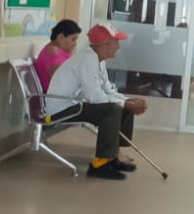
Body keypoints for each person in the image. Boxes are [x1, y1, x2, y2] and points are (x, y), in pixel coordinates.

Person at [46, 23, 148, 180]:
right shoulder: (87, 60)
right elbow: (96, 98)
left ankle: (113, 156)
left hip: (74, 104)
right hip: (61, 108)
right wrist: (126, 103)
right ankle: (100, 165)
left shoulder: (98, 59)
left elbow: (107, 90)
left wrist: (128, 101)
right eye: (116, 42)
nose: (118, 47)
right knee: (112, 110)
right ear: (104, 45)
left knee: (122, 107)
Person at [34, 18, 80, 92]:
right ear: (61, 37)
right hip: (54, 96)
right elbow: (60, 78)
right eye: (73, 39)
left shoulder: (66, 51)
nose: (75, 44)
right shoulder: (52, 50)